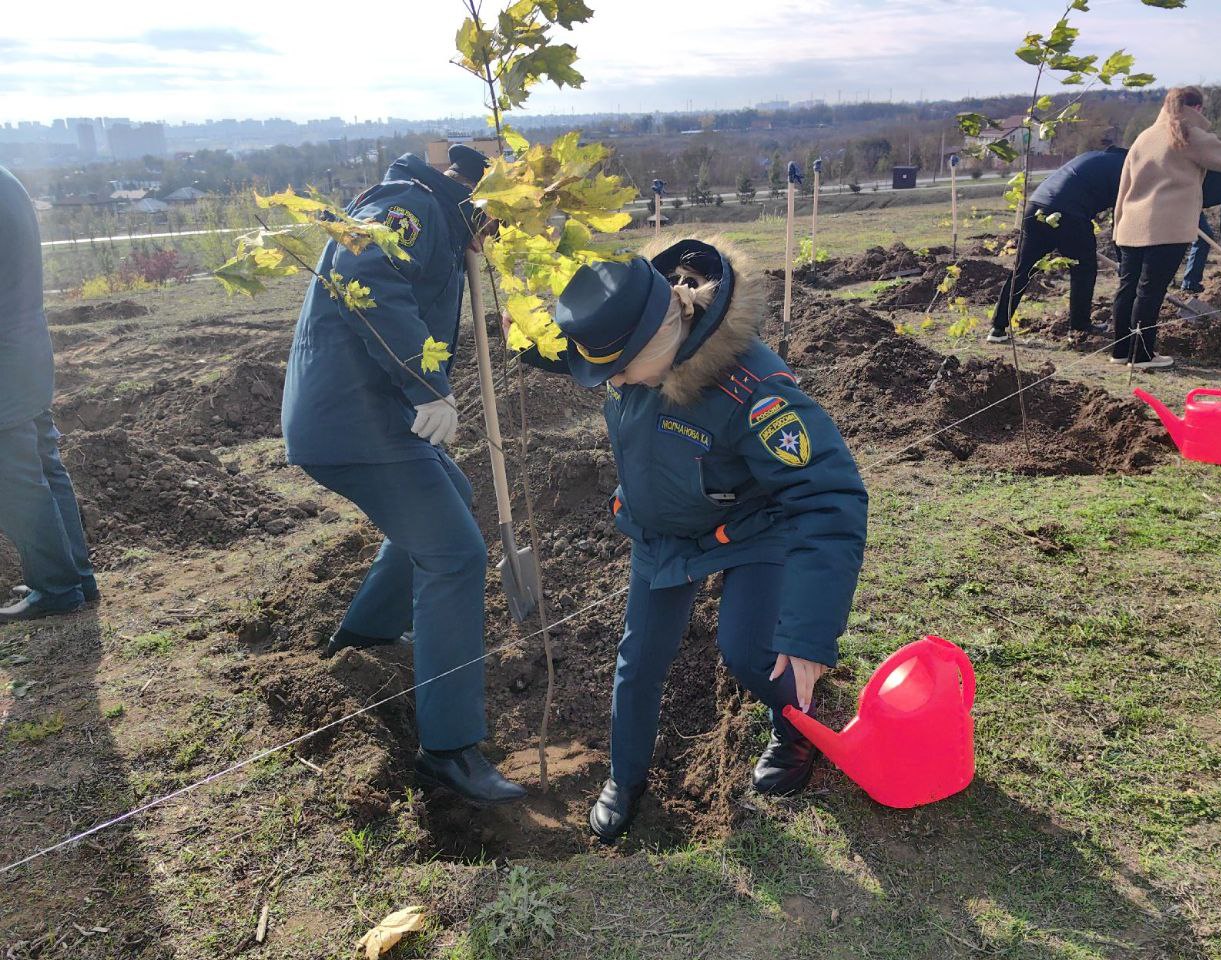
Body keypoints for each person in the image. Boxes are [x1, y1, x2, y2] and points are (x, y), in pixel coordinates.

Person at [515, 238, 868, 842]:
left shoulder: (755, 391)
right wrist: (521, 331)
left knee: (754, 652)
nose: (613, 381)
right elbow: (578, 351)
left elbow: (829, 497)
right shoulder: (633, 340)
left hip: (754, 526)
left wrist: (809, 633)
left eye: (619, 369)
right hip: (662, 529)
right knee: (639, 659)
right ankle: (625, 778)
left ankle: (797, 725)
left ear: (661, 343)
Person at [282, 145, 526, 806]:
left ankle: (366, 634)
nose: (496, 235)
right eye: (495, 221)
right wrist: (427, 387)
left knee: (455, 496)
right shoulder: (409, 207)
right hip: (354, 421)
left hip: (364, 416)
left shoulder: (435, 219)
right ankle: (448, 751)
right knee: (455, 555)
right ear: (473, 198)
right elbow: (365, 273)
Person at [1111, 86, 1221, 370]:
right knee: (1150, 290)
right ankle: (1141, 356)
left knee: (1128, 288)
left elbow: (1124, 186)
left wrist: (1118, 226)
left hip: (1131, 223)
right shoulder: (1187, 133)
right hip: (1166, 227)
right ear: (1197, 108)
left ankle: (1121, 351)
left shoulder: (1144, 137)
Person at [0, 164, 99, 623]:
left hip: (4, 355)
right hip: (25, 347)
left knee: (15, 480)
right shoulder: (7, 180)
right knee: (42, 463)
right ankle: (73, 576)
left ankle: (56, 588)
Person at [987, 134, 1128, 345]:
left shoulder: (1092, 158)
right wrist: (1125, 262)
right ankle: (1079, 328)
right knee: (1084, 268)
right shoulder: (1126, 169)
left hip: (1035, 208)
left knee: (1023, 269)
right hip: (1070, 214)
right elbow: (1121, 217)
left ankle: (997, 328)